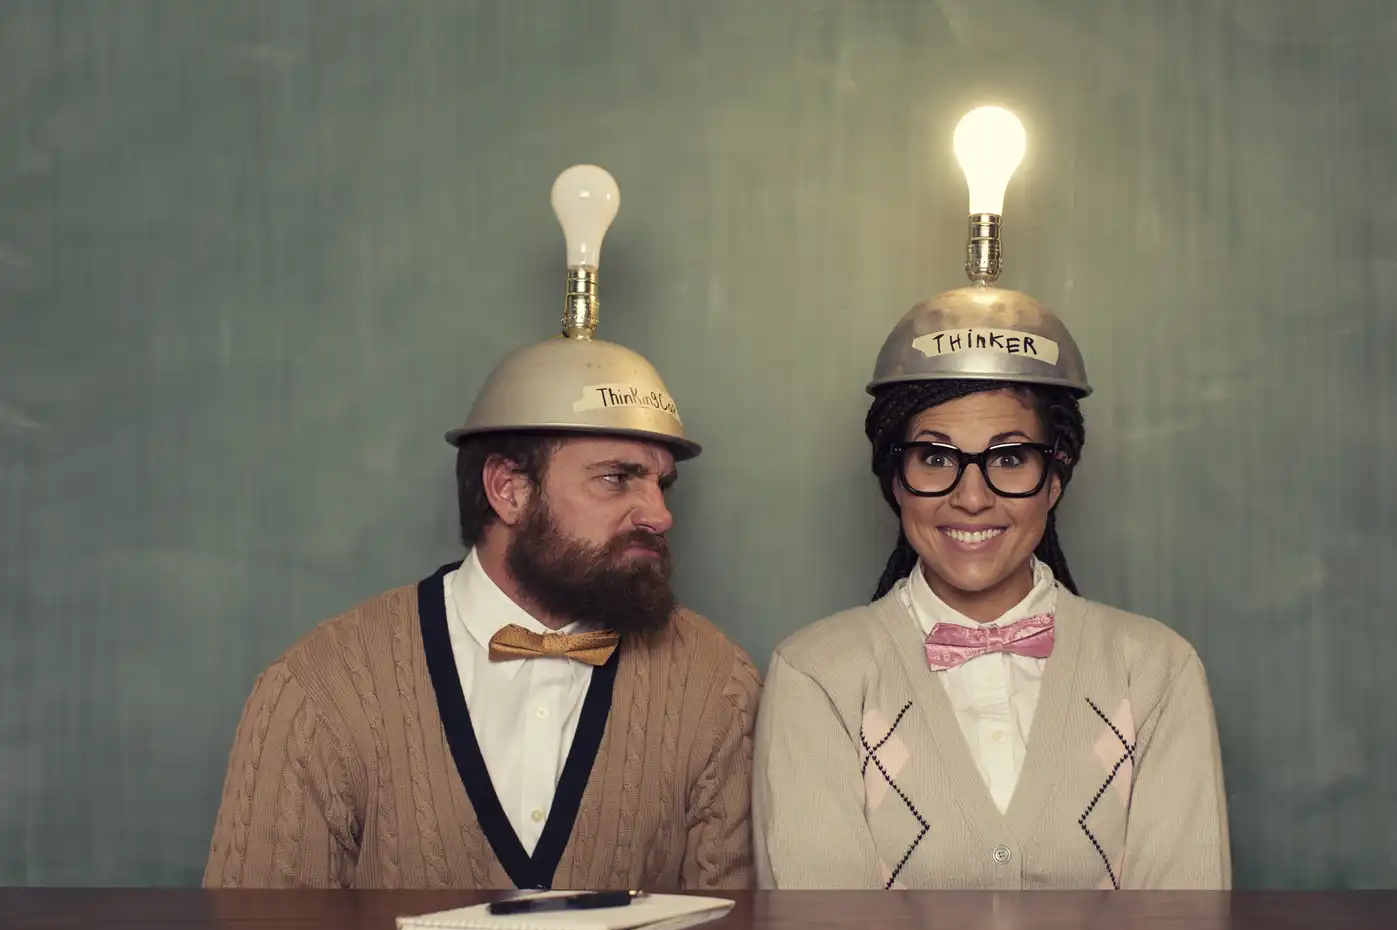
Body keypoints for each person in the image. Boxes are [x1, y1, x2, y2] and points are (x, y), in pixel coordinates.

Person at [204, 165, 760, 890]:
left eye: (662, 483)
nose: (658, 514)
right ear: (508, 489)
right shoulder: (318, 694)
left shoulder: (717, 685)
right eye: (616, 478)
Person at [753, 281, 1231, 890]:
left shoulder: (1157, 670)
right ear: (895, 481)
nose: (972, 498)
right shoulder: (816, 675)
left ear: (1054, 479)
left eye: (1009, 458)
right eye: (935, 459)